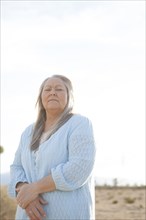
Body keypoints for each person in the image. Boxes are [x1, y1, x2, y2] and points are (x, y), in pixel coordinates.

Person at [8, 75, 96, 220]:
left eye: (59, 89)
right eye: (47, 89)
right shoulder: (28, 132)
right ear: (41, 97)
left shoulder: (79, 124)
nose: (52, 92)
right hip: (26, 215)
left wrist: (34, 189)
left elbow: (79, 168)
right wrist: (24, 189)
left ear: (69, 96)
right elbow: (16, 167)